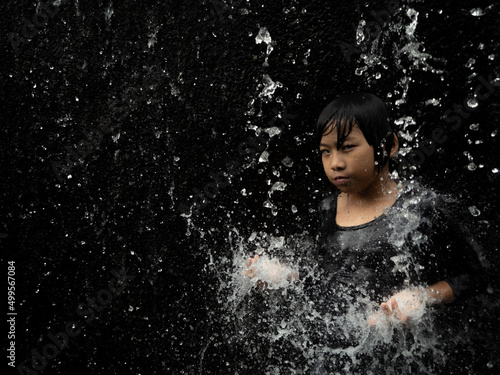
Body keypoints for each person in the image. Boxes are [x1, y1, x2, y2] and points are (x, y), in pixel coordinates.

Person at [244, 92, 487, 372]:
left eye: (347, 147)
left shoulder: (419, 208)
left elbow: (475, 276)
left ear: (390, 145)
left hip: (400, 360)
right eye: (326, 151)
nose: (335, 162)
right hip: (339, 358)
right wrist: (286, 277)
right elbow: (324, 276)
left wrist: (421, 297)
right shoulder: (326, 209)